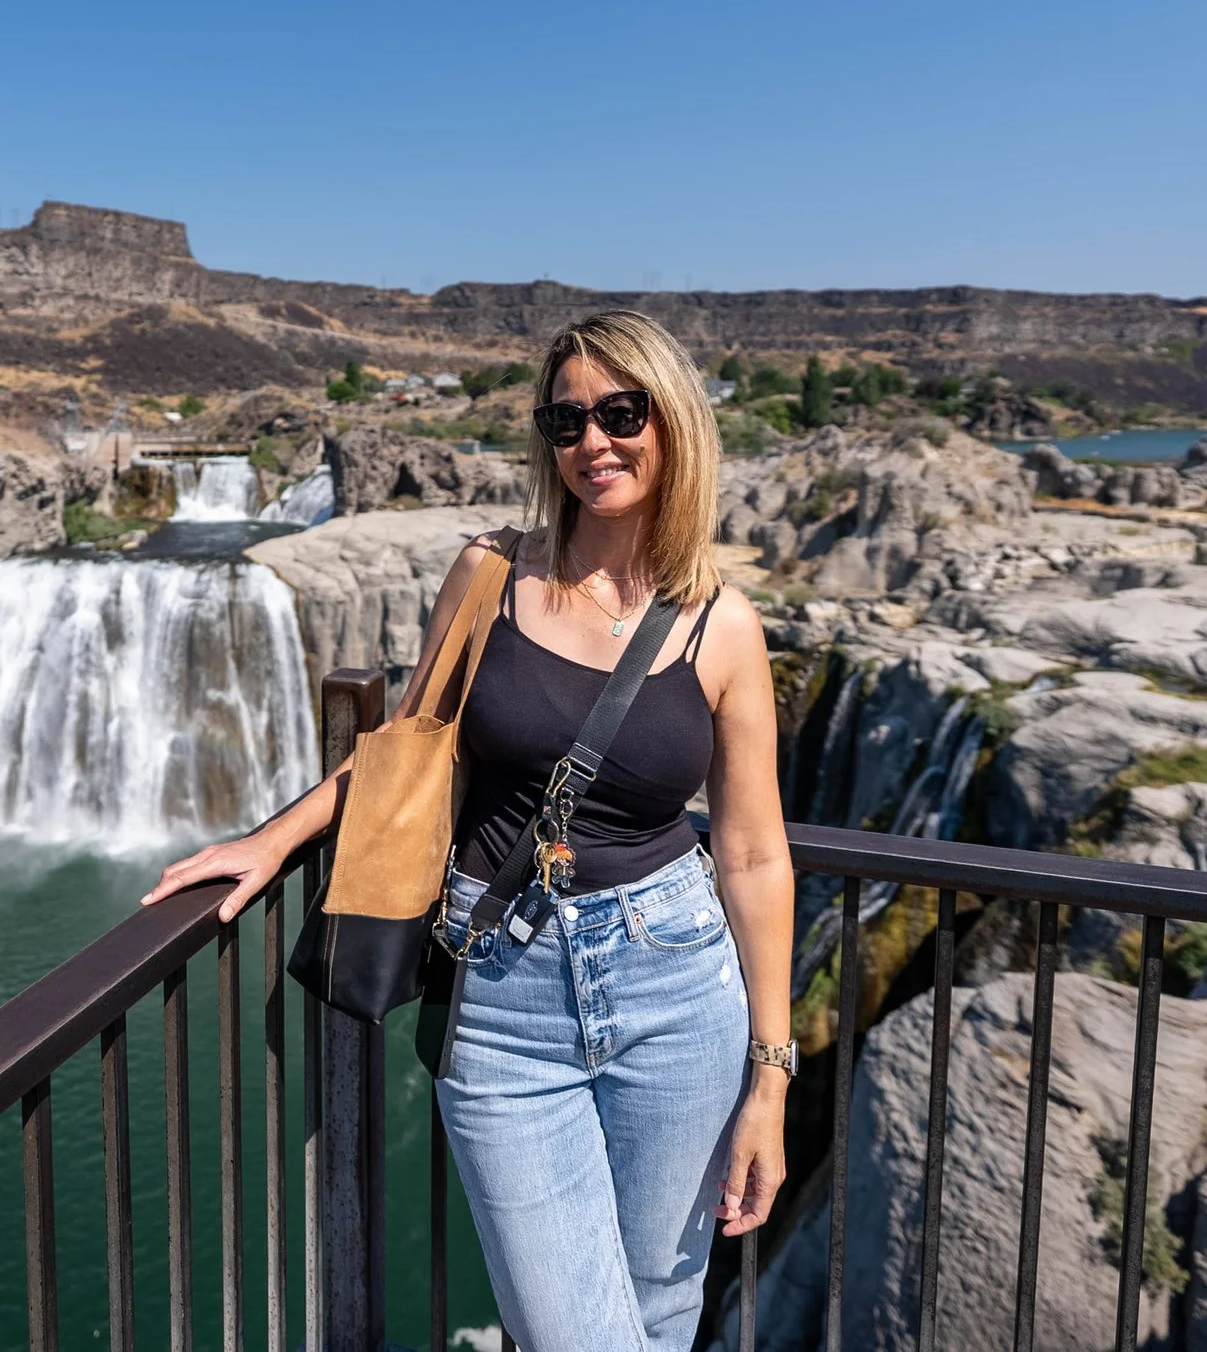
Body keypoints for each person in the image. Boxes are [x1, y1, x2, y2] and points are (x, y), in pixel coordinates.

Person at [146, 309, 793, 1352]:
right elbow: (408, 746)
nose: (594, 442)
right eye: (566, 419)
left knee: (662, 1313)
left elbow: (756, 854)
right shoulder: (492, 571)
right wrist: (274, 838)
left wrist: (770, 1074)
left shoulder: (723, 624)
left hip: (677, 984)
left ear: (671, 420)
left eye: (620, 412)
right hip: (500, 993)